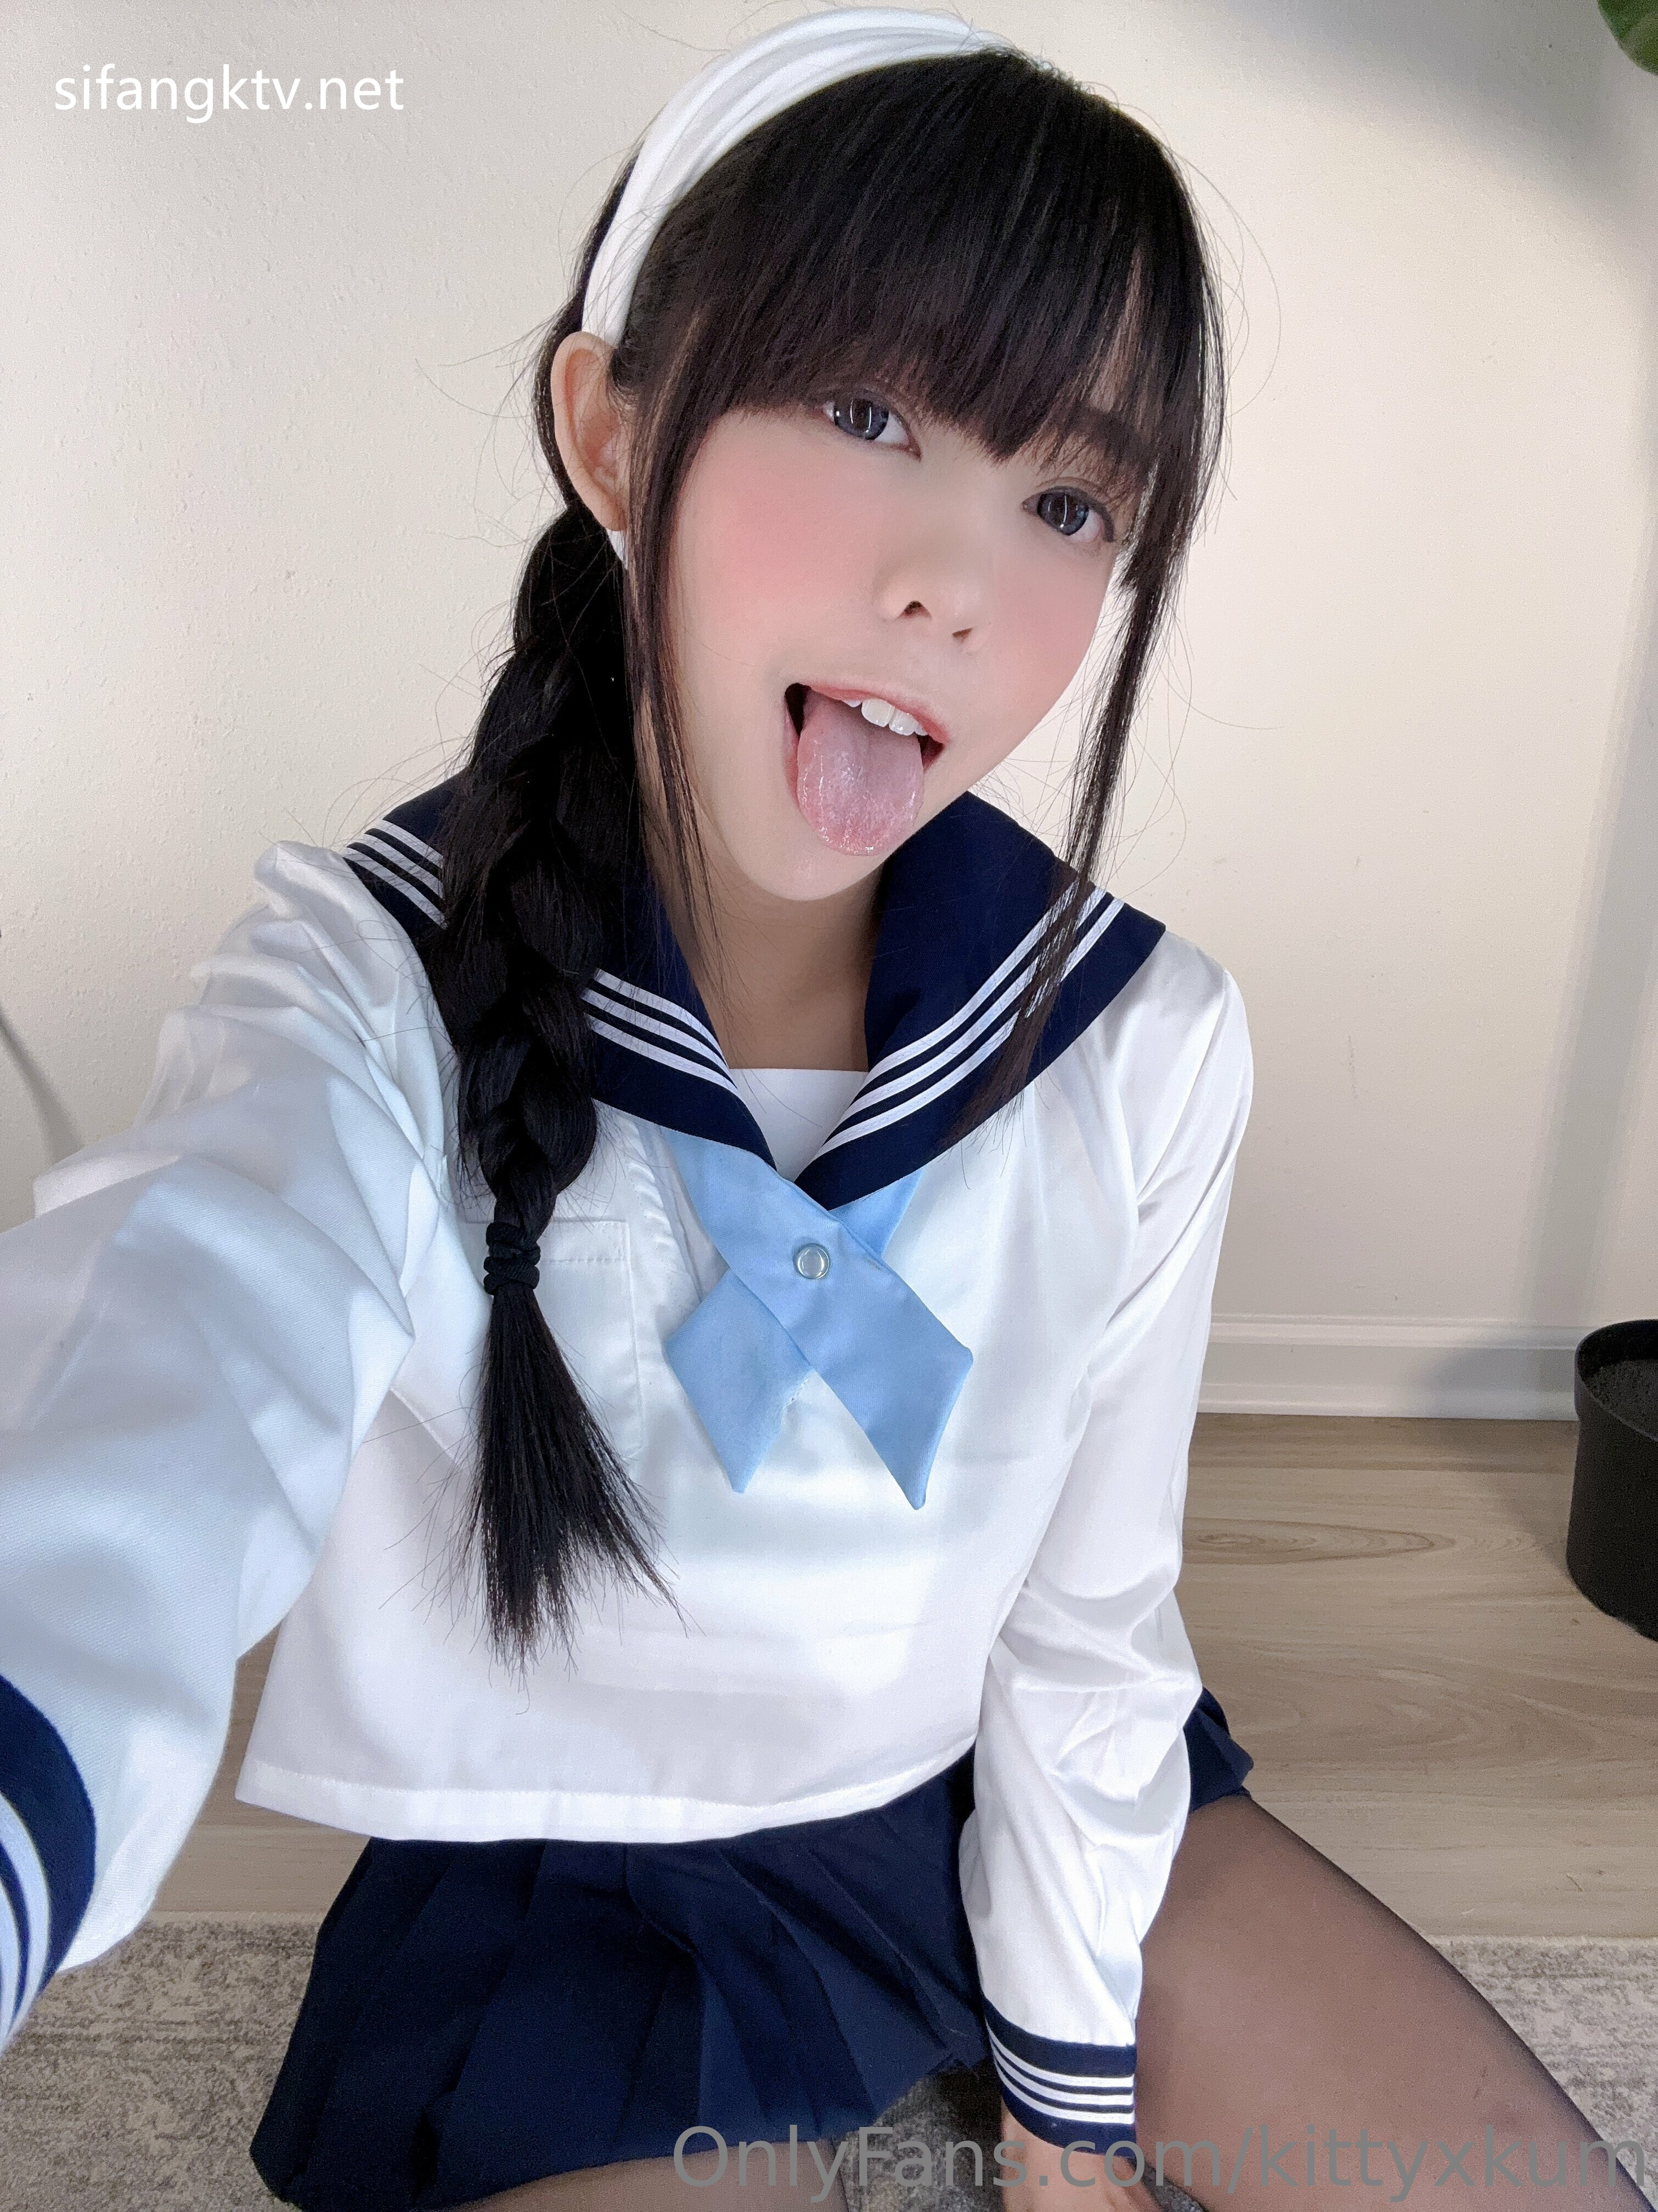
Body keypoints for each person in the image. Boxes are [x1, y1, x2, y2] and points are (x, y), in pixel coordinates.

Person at [0, 12, 1643, 2210]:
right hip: (588, 1892)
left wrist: (1068, 2118)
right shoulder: (363, 984)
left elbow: (1085, 1629)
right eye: (869, 414)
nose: (956, 580)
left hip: (996, 1791)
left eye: (1069, 500)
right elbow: (164, 1355)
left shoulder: (1139, 1038)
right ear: (613, 432)